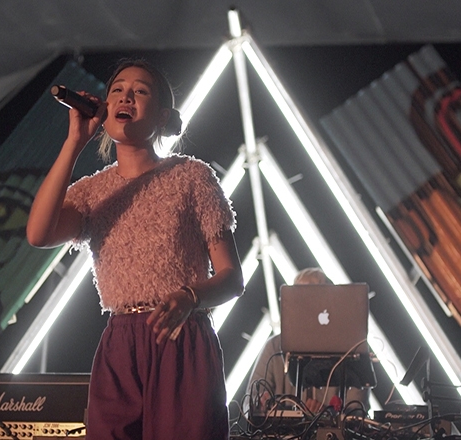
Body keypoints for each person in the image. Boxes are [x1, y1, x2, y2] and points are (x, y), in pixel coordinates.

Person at [26, 59, 244, 440]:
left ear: (162, 116)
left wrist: (190, 297)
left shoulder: (192, 176)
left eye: (140, 91)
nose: (126, 96)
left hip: (181, 338)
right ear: (105, 109)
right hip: (120, 343)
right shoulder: (92, 191)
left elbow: (232, 278)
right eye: (117, 90)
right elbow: (38, 234)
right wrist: (74, 142)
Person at [246, 268, 370, 414]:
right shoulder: (274, 347)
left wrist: (326, 415)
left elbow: (357, 410)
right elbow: (251, 401)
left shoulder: (352, 349)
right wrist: (261, 404)